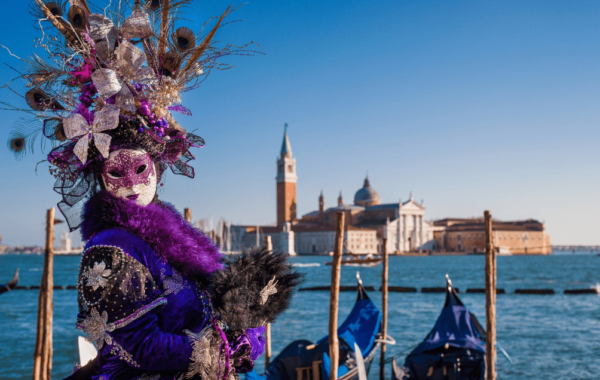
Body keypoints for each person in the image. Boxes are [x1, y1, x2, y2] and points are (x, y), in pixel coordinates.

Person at [5, 1, 301, 379]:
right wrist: (225, 347)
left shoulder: (180, 237)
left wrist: (246, 320)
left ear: (158, 170)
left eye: (141, 168)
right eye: (116, 171)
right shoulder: (112, 250)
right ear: (100, 177)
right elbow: (142, 347)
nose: (131, 184)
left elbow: (218, 314)